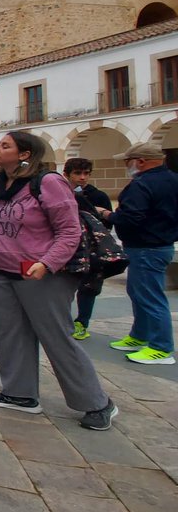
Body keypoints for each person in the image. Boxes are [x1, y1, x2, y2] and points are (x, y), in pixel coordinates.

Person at [0, 131, 117, 430]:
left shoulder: (49, 183)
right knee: (9, 332)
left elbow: (69, 231)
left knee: (57, 336)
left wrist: (47, 263)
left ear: (25, 154)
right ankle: (20, 394)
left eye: (5, 145)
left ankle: (97, 403)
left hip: (43, 272)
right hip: (3, 269)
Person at [95, 143, 178, 365]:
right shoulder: (173, 179)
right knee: (138, 292)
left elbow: (131, 217)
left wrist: (107, 214)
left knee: (150, 296)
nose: (127, 165)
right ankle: (140, 335)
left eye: (127, 161)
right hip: (161, 244)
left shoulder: (141, 184)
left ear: (140, 161)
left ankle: (161, 347)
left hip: (146, 247)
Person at [63, 157, 113, 341]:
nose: (82, 177)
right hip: (68, 248)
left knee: (88, 288)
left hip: (91, 249)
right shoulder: (60, 193)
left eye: (86, 173)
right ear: (66, 174)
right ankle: (62, 320)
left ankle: (82, 322)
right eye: (77, 173)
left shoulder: (98, 196)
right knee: (64, 286)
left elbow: (106, 226)